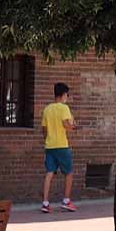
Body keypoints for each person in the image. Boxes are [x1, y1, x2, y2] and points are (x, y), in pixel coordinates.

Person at [41, 82, 78, 213]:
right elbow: (66, 125)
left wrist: (47, 141)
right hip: (62, 146)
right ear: (63, 95)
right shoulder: (64, 108)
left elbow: (44, 130)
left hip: (49, 146)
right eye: (67, 94)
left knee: (49, 173)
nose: (67, 97)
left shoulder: (47, 109)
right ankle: (66, 200)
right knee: (68, 173)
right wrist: (73, 126)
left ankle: (45, 203)